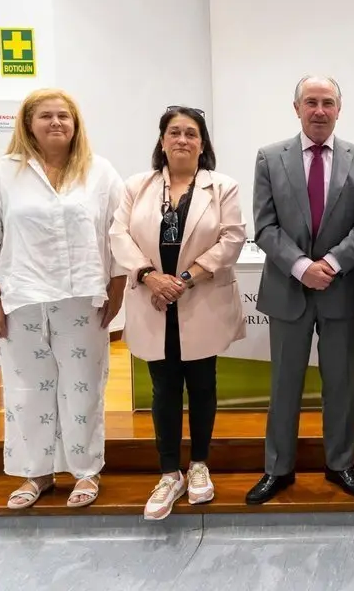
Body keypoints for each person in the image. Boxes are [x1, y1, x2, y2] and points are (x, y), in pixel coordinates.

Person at [0, 88, 125, 510]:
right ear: (28, 124)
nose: (56, 123)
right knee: (27, 390)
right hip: (22, 299)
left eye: (63, 116)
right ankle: (35, 472)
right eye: (46, 116)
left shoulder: (100, 172)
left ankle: (85, 471)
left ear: (75, 124)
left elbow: (118, 233)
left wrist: (117, 287)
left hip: (83, 298)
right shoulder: (3, 174)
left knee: (83, 388)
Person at [110, 106, 246, 520]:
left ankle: (200, 464)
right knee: (163, 389)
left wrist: (183, 280)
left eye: (191, 133)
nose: (182, 139)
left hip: (200, 298)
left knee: (202, 385)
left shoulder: (222, 187)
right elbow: (119, 234)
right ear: (162, 140)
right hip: (152, 299)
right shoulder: (137, 186)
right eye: (175, 132)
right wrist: (150, 277)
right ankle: (169, 473)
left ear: (202, 144)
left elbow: (232, 238)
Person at [246, 76, 354, 504]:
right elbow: (265, 225)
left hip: (341, 288)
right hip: (289, 288)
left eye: (327, 102)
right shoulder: (269, 158)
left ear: (339, 109)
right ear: (296, 108)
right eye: (311, 102)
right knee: (284, 384)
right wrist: (302, 267)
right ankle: (277, 468)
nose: (319, 110)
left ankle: (340, 463)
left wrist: (333, 264)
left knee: (341, 384)